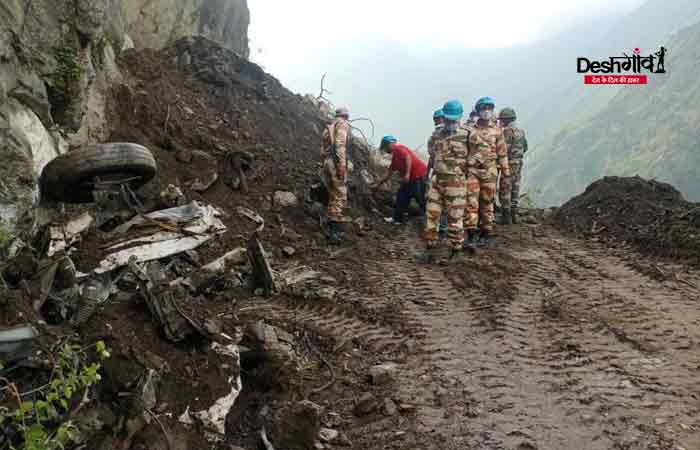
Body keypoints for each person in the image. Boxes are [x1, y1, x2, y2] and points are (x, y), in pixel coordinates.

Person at [419, 99, 470, 262]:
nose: (450, 123)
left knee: (455, 219)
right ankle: (430, 248)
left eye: (453, 120)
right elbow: (432, 155)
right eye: (448, 119)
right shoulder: (436, 135)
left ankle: (456, 251)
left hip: (456, 184)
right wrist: (429, 178)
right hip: (437, 181)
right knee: (431, 215)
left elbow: (475, 160)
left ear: (459, 118)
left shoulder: (468, 136)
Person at [464, 97, 510, 248]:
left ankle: (486, 232)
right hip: (472, 171)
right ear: (478, 110)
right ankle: (471, 234)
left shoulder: (497, 132)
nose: (486, 111)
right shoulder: (469, 130)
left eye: (489, 108)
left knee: (487, 202)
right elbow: (464, 151)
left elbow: (502, 154)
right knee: (471, 203)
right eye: (483, 108)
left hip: (490, 172)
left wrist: (506, 174)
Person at [373, 135, 428, 224]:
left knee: (421, 199)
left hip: (418, 176)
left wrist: (407, 174)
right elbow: (388, 174)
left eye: (385, 146)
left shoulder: (398, 148)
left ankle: (433, 221)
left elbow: (408, 158)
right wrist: (378, 184)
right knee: (401, 197)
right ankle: (397, 219)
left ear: (390, 144)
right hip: (409, 180)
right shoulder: (395, 158)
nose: (385, 150)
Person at [321, 107, 350, 244]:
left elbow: (322, 150)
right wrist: (342, 165)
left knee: (332, 194)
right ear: (346, 116)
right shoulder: (342, 124)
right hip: (335, 161)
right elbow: (340, 145)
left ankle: (329, 225)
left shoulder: (329, 127)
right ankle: (335, 233)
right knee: (339, 195)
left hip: (327, 161)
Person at [497, 107, 528, 224]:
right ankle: (514, 215)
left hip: (508, 163)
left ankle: (506, 217)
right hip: (519, 162)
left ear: (505, 120)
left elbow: (503, 149)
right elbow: (525, 147)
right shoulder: (521, 131)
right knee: (515, 187)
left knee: (505, 189)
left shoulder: (506, 132)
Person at [427, 109, 448, 238]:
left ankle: (441, 229)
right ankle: (442, 229)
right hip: (443, 173)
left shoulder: (433, 137)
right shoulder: (434, 136)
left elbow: (432, 156)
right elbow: (432, 157)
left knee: (438, 202)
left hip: (443, 173)